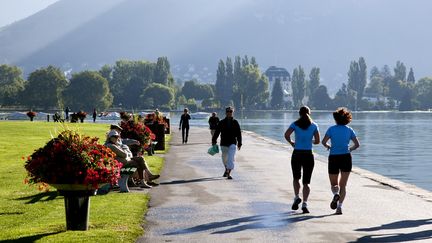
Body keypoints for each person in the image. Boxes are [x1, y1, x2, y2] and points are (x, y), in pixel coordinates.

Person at [321, 107, 360, 215]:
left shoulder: (331, 129)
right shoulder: (349, 130)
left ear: (336, 119)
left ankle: (335, 194)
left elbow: (323, 142)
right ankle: (339, 208)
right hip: (346, 157)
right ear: (347, 119)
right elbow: (357, 145)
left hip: (334, 157)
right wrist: (350, 149)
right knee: (343, 185)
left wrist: (328, 146)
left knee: (334, 184)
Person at [284, 106, 320, 214]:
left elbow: (286, 135)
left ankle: (296, 197)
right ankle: (305, 203)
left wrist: (292, 142)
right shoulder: (314, 125)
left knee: (296, 178)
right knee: (306, 182)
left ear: (299, 114)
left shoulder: (295, 124)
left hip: (297, 154)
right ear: (309, 113)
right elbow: (318, 141)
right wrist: (310, 141)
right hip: (308, 154)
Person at [212, 106, 242, 180]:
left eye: (231, 112)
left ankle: (229, 173)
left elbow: (239, 133)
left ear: (233, 112)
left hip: (232, 143)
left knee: (231, 159)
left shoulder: (235, 122)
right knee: (224, 158)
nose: (229, 113)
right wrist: (214, 140)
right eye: (228, 112)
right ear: (225, 113)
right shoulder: (221, 122)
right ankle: (226, 168)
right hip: (224, 143)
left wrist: (239, 143)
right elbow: (217, 132)